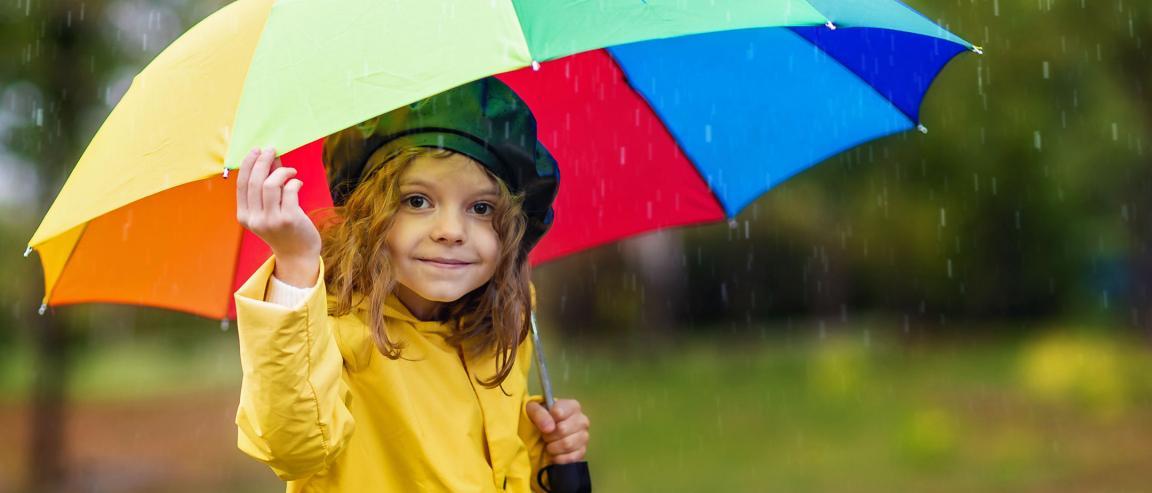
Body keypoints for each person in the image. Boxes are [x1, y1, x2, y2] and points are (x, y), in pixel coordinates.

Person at [231, 78, 590, 492]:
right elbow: (294, 447)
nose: (452, 231)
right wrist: (294, 261)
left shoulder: (503, 316)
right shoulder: (331, 327)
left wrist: (545, 451)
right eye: (417, 201)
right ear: (369, 214)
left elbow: (485, 461)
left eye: (481, 207)